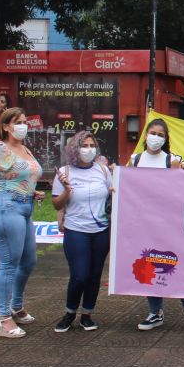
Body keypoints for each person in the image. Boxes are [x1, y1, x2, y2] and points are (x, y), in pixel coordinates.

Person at [130, 119, 184, 331]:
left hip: (168, 224)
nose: (156, 137)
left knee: (178, 266)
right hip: (144, 224)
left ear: (166, 139)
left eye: (161, 134)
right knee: (148, 264)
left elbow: (181, 192)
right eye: (152, 132)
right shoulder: (135, 160)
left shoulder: (172, 161)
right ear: (145, 134)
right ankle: (155, 312)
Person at [0, 98, 44, 338]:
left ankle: (16, 306)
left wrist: (32, 191)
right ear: (6, 126)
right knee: (8, 263)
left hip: (24, 207)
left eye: (25, 122)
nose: (23, 126)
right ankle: (2, 317)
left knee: (28, 261)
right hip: (5, 208)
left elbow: (20, 175)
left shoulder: (24, 149)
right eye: (18, 122)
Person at [51, 131, 113, 333]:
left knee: (95, 275)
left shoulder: (103, 171)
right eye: (84, 145)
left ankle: (87, 314)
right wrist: (67, 191)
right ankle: (70, 312)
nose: (89, 149)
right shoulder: (64, 172)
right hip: (76, 230)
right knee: (79, 275)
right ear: (74, 149)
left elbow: (114, 195)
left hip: (101, 231)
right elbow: (55, 204)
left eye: (92, 145)